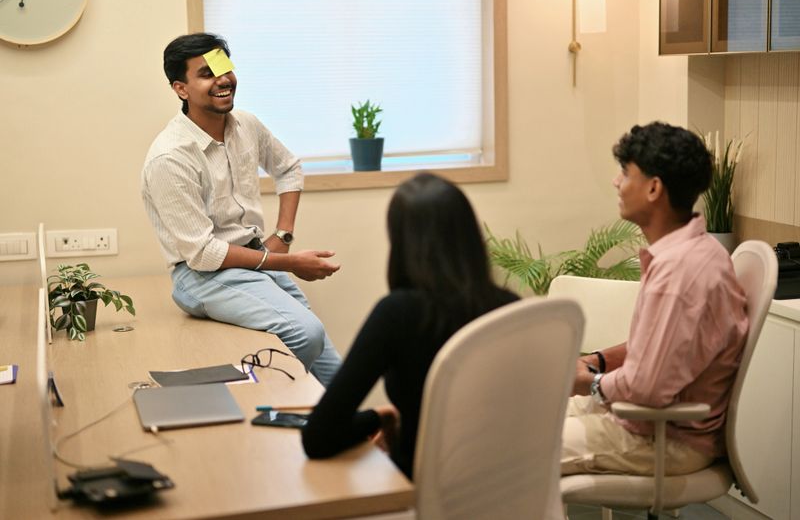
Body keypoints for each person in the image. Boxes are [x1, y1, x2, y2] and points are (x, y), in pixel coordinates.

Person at [141, 33, 342, 386]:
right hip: (202, 277)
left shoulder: (245, 124)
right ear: (181, 89)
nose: (223, 80)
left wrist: (283, 235)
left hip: (255, 259)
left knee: (330, 360)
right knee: (306, 333)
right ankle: (278, 414)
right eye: (206, 73)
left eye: (225, 67)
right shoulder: (170, 157)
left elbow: (288, 168)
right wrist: (290, 263)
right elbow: (203, 254)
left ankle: (349, 424)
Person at [562, 122, 749, 476]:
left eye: (625, 172)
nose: (617, 182)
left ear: (653, 188)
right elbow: (657, 350)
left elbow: (646, 389)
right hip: (644, 421)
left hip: (662, 438)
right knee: (521, 417)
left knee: (510, 450)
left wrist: (589, 383)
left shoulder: (680, 274)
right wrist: (599, 360)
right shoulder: (694, 252)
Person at [302, 173, 519, 479]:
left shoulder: (398, 314)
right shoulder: (510, 308)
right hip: (508, 487)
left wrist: (378, 416)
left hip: (423, 495)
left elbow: (319, 436)